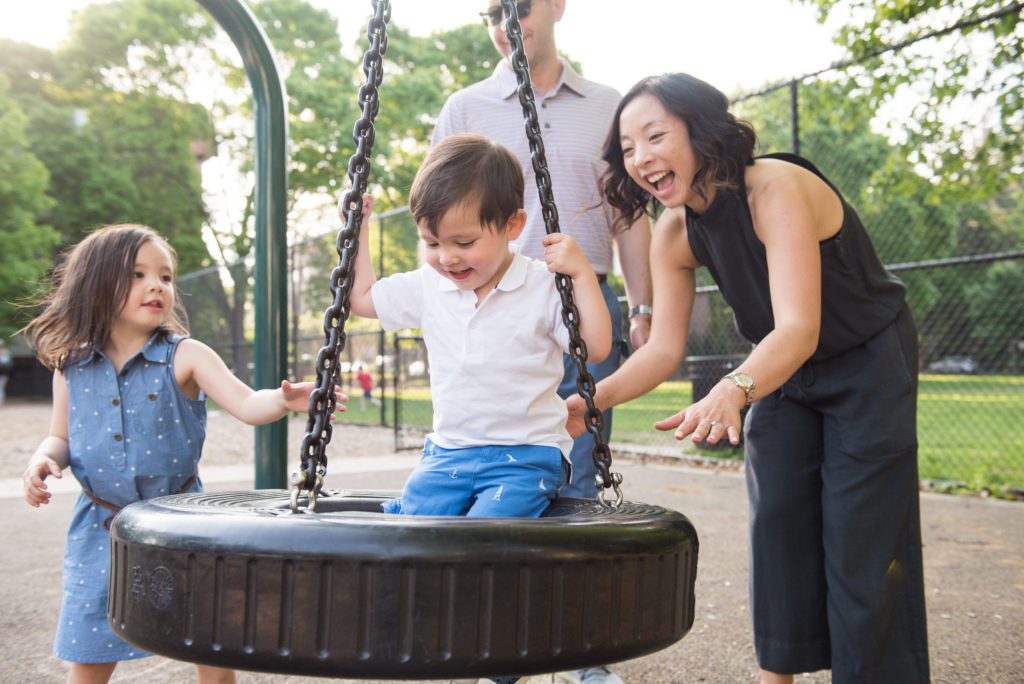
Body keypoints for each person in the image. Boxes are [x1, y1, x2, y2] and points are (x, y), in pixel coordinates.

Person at [566, 72, 930, 683]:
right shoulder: (675, 229)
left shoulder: (776, 188)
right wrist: (590, 402)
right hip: (781, 370)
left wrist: (733, 388)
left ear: (702, 131)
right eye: (628, 148)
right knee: (777, 527)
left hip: (865, 359)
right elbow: (662, 352)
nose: (641, 159)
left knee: (864, 542)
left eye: (656, 136)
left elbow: (799, 328)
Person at [19, 224, 346, 684]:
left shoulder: (186, 356)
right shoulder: (70, 366)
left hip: (182, 520)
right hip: (101, 524)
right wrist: (43, 459)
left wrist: (283, 399)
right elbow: (62, 438)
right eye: (137, 274)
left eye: (166, 277)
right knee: (88, 644)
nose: (157, 285)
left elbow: (247, 404)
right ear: (94, 284)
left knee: (208, 635)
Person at [432, 0, 654, 511]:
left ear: (557, 7)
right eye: (492, 14)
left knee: (575, 470)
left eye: (521, 8)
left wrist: (642, 311)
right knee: (489, 466)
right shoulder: (465, 110)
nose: (507, 24)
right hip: (498, 303)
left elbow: (630, 218)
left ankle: (560, 589)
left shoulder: (607, 107)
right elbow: (436, 217)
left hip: (585, 298)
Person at [344, 132, 611, 518]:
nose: (448, 258)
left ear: (513, 225)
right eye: (432, 243)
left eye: (464, 242)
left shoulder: (542, 285)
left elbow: (595, 347)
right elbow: (362, 299)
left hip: (526, 456)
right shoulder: (428, 285)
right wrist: (359, 229)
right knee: (412, 529)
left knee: (486, 532)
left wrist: (582, 275)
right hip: (447, 453)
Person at [0, 339, 12, 407]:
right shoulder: (6, 353)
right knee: (1, 388)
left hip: (3, 373)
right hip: (4, 373)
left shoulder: (5, 353)